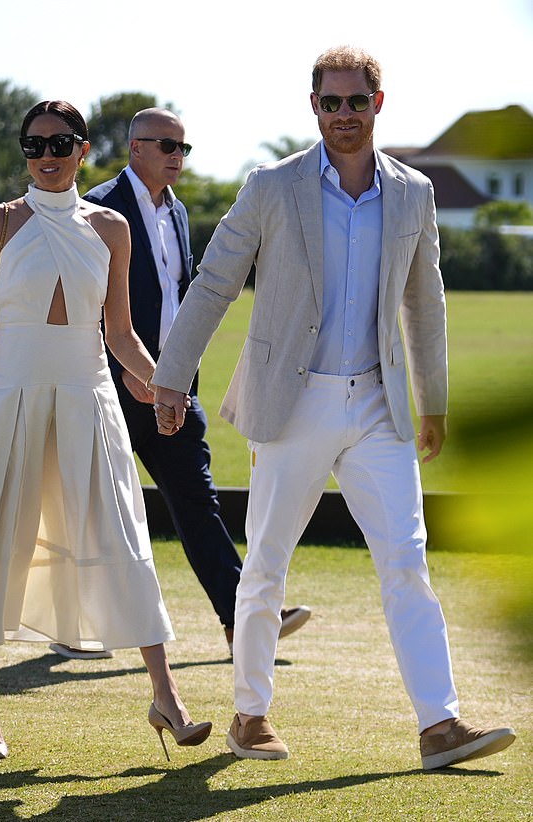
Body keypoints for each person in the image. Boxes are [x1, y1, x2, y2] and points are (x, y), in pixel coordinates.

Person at [150, 47, 516, 768]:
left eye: (356, 101)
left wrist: (431, 401)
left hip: (378, 407)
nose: (343, 114)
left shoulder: (413, 192)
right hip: (293, 403)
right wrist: (171, 377)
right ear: (312, 106)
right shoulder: (272, 186)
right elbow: (216, 280)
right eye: (331, 102)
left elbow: (423, 300)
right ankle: (249, 716)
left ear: (379, 104)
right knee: (266, 567)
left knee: (407, 562)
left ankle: (439, 726)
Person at [0, 100, 211, 761]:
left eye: (61, 142)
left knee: (123, 532)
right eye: (34, 144)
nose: (47, 154)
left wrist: (163, 388)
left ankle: (166, 697)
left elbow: (120, 332)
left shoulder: (112, 227)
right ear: (23, 151)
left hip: (90, 398)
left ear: (85, 149)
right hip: (11, 397)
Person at [48, 107, 309, 661]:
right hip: (108, 382)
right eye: (166, 146)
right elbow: (77, 301)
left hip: (170, 383)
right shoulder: (95, 207)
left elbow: (183, 295)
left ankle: (241, 619)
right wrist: (124, 369)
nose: (177, 157)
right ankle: (72, 626)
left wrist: (175, 375)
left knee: (196, 497)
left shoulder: (180, 213)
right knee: (95, 503)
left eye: (183, 148)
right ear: (134, 147)